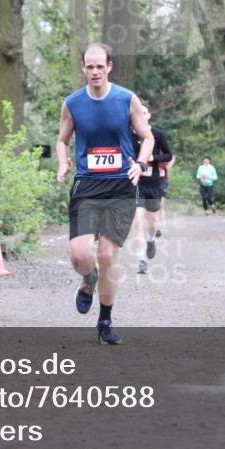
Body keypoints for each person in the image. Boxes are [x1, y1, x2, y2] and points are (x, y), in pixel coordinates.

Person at [56, 43, 154, 345]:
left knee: (108, 255)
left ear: (109, 66)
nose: (95, 71)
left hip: (121, 186)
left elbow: (147, 137)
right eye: (90, 66)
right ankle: (88, 279)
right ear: (83, 68)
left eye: (100, 66)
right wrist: (63, 161)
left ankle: (105, 320)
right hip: (87, 185)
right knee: (80, 255)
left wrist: (140, 163)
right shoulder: (72, 103)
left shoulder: (127, 99)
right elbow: (62, 140)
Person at [129, 102, 173, 274]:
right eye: (139, 112)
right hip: (137, 182)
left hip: (153, 183)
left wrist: (152, 157)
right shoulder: (130, 135)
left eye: (144, 112)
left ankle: (151, 239)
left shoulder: (157, 134)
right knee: (138, 220)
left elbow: (168, 155)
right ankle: (141, 258)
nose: (142, 115)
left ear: (149, 115)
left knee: (152, 222)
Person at [156, 153, 175, 238]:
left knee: (161, 203)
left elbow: (172, 157)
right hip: (154, 181)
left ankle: (162, 222)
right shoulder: (153, 153)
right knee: (155, 203)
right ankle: (156, 222)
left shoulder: (165, 154)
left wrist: (169, 164)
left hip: (163, 181)